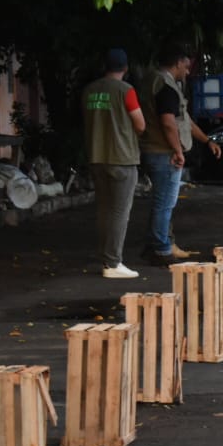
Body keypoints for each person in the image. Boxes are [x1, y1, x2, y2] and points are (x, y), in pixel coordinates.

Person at [139, 42, 221, 266]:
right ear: (177, 63)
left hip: (155, 149)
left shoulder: (152, 80)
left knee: (162, 202)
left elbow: (184, 120)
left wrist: (207, 140)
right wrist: (177, 150)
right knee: (164, 203)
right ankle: (161, 249)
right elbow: (168, 123)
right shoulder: (165, 86)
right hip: (164, 152)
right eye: (186, 66)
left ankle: (155, 245)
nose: (187, 71)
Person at [83, 48, 146, 279]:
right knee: (120, 211)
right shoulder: (126, 91)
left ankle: (105, 256)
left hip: (96, 156)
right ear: (126, 68)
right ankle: (113, 263)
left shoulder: (89, 90)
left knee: (104, 210)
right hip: (122, 158)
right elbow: (140, 124)